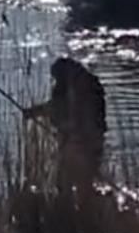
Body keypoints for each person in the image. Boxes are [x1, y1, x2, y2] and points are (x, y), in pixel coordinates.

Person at [24, 57, 107, 191]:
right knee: (81, 182)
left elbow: (57, 108)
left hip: (79, 141)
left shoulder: (77, 87)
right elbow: (57, 108)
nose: (56, 81)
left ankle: (72, 207)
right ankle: (84, 206)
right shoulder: (90, 84)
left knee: (67, 181)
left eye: (56, 78)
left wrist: (34, 112)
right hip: (87, 139)